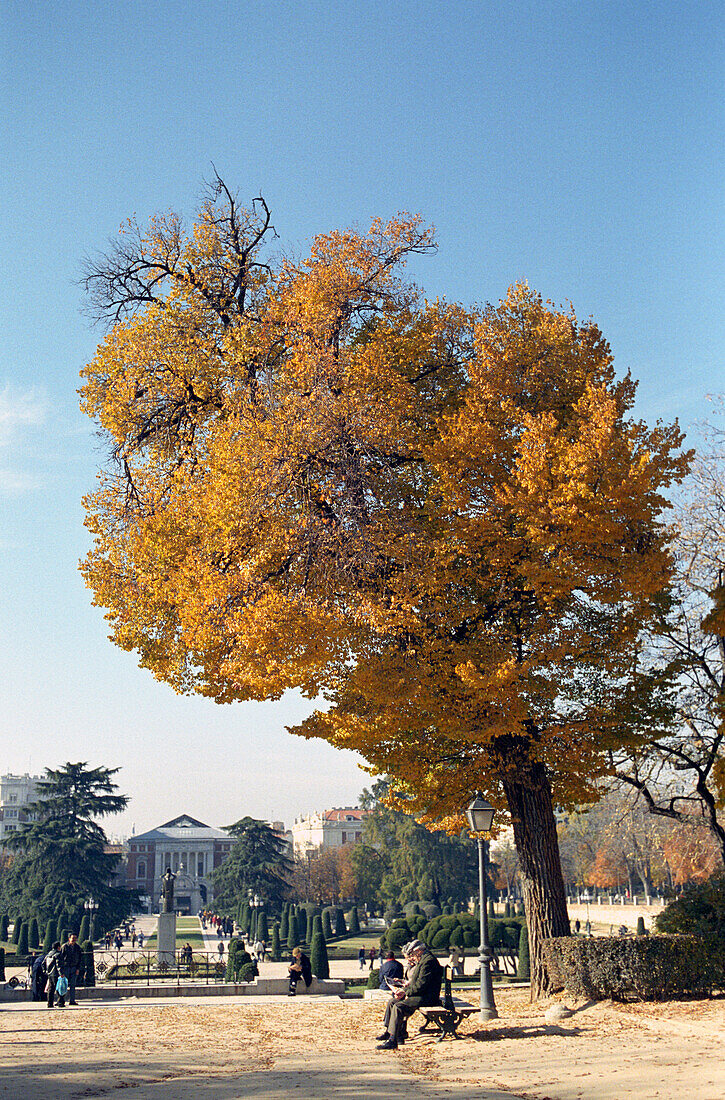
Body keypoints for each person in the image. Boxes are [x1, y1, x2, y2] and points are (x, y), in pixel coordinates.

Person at [376, 940, 443, 1050]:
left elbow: (421, 985)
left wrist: (405, 992)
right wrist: (403, 990)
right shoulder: (424, 960)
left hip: (428, 997)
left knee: (399, 1006)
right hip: (422, 994)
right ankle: (393, 1033)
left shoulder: (428, 961)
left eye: (412, 954)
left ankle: (393, 1040)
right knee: (392, 1002)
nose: (412, 957)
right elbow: (417, 983)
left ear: (418, 951)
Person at [61, 933, 84, 1005]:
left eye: (75, 938)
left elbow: (80, 958)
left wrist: (78, 968)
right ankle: (61, 1001)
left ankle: (72, 1000)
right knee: (64, 985)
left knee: (73, 985)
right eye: (72, 938)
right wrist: (62, 969)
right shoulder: (65, 946)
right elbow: (61, 958)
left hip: (74, 967)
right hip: (66, 967)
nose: (74, 940)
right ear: (69, 939)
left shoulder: (77, 947)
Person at [45, 941, 67, 1009]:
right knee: (59, 987)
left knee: (51, 989)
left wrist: (46, 971)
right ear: (58, 947)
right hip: (56, 973)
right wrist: (61, 974)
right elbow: (58, 965)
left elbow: (43, 963)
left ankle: (50, 1003)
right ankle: (60, 1002)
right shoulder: (58, 954)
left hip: (50, 974)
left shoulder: (49, 954)